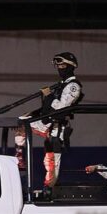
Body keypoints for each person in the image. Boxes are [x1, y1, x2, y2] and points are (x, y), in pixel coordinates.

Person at [15, 52, 83, 194]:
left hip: (57, 127)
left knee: (51, 162)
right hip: (45, 121)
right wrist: (32, 114)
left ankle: (48, 189)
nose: (60, 69)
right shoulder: (60, 85)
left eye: (63, 66)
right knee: (21, 123)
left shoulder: (73, 86)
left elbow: (61, 107)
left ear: (71, 66)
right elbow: (47, 107)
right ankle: (19, 157)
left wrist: (49, 95)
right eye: (58, 66)